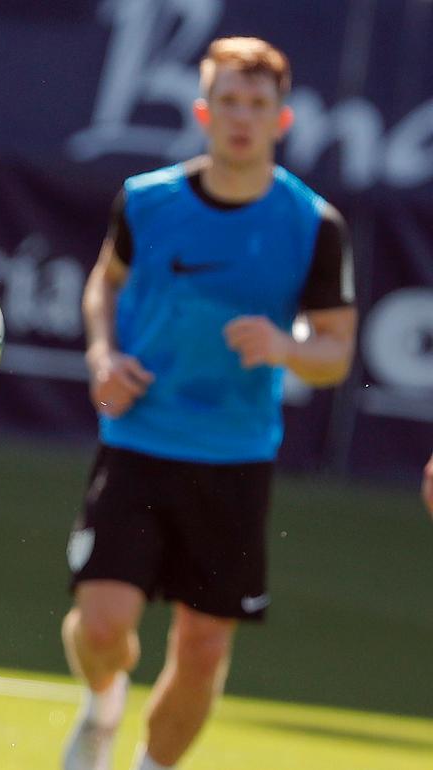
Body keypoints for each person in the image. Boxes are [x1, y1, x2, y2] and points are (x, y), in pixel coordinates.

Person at [61, 37, 356, 770]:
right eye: (229, 101)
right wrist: (102, 355)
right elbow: (105, 283)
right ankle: (101, 706)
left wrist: (286, 348)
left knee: (203, 646)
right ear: (203, 111)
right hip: (137, 439)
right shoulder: (146, 200)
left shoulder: (314, 225)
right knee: (102, 629)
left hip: (233, 457)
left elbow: (335, 353)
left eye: (259, 105)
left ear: (283, 120)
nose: (243, 118)